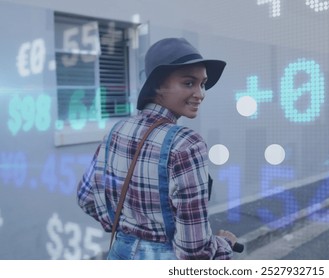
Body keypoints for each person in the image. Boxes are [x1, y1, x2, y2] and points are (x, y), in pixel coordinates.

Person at [77, 37, 238, 260]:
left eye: (202, 84)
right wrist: (224, 245)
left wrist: (127, 230)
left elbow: (86, 197)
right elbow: (194, 252)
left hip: (118, 253)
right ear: (157, 86)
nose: (201, 94)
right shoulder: (187, 144)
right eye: (188, 83)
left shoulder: (116, 131)